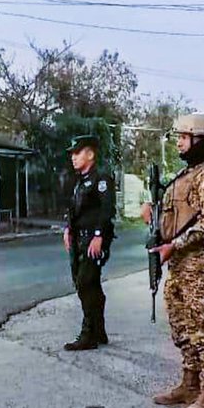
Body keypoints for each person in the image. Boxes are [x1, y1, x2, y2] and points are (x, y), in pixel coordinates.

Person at [142, 113, 204, 408]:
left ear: (200, 140)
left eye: (184, 137)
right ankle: (189, 383)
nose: (179, 142)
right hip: (178, 264)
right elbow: (176, 217)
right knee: (181, 324)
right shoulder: (185, 176)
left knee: (202, 327)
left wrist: (174, 245)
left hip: (198, 264)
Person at [63, 134, 115, 351]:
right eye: (72, 154)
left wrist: (99, 235)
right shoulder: (79, 181)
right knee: (88, 284)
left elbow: (107, 209)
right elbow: (73, 208)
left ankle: (88, 335)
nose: (73, 158)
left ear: (90, 154)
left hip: (93, 240)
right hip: (79, 239)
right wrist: (67, 229)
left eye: (77, 153)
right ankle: (99, 330)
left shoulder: (101, 179)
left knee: (85, 283)